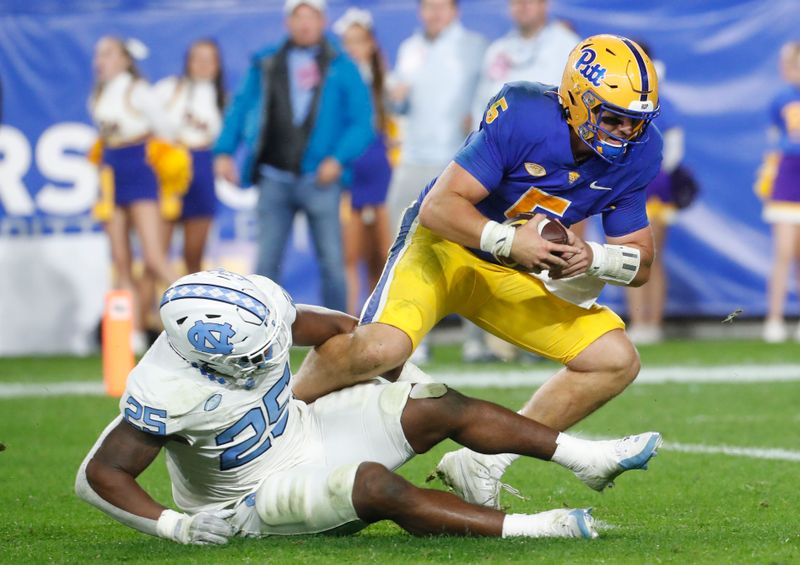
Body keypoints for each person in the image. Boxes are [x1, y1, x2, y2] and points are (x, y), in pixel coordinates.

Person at [293, 34, 663, 508]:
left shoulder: (639, 153)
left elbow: (642, 262)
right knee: (382, 348)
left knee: (616, 360)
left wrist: (595, 257)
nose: (625, 133)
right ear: (576, 100)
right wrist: (510, 239)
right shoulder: (526, 114)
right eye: (614, 117)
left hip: (510, 270)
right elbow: (439, 207)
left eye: (635, 123)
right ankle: (279, 416)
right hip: (444, 246)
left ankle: (483, 463)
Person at [75, 269, 662, 543]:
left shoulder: (259, 322)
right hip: (246, 499)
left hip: (301, 431)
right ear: (209, 350)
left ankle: (582, 456)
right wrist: (176, 525)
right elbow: (99, 474)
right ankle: (536, 529)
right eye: (261, 346)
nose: (277, 345)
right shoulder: (163, 389)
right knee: (375, 486)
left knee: (433, 403)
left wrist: (407, 381)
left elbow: (340, 328)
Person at [213, 0, 373, 313]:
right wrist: (223, 150)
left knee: (332, 261)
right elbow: (240, 107)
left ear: (323, 20)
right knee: (266, 264)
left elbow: (362, 122)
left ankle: (339, 336)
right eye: (298, 16)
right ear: (288, 22)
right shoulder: (267, 62)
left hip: (321, 179)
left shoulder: (342, 65)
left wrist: (338, 159)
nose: (304, 23)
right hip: (274, 176)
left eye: (311, 16)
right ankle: (257, 332)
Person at [464, 0, 578, 362]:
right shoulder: (499, 50)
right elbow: (481, 106)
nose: (522, 6)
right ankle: (497, 340)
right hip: (500, 165)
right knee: (491, 246)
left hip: (557, 169)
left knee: (557, 247)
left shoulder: (568, 46)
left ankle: (553, 335)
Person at [385, 0, 486, 362]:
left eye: (440, 6)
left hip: (458, 161)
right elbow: (397, 105)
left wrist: (477, 120)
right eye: (428, 7)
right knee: (403, 251)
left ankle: (477, 340)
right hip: (413, 158)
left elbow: (487, 94)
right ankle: (410, 337)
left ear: (454, 10)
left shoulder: (474, 46)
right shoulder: (411, 48)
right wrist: (393, 97)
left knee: (471, 249)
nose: (434, 13)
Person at [89, 36, 177, 352]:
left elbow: (167, 130)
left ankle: (200, 303)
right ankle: (133, 332)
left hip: (139, 169)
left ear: (125, 59)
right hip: (111, 173)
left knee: (153, 257)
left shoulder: (137, 90)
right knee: (121, 260)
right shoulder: (99, 93)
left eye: (108, 54)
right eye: (99, 55)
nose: (100, 61)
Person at [333, 8, 394, 315]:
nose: (353, 47)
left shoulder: (383, 81)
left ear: (370, 43)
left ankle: (376, 317)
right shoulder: (335, 82)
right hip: (349, 174)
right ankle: (348, 318)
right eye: (348, 41)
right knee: (350, 253)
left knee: (382, 254)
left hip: (380, 174)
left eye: (359, 40)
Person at [625, 47, 685, 345]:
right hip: (627, 184)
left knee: (651, 256)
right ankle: (638, 321)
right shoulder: (618, 97)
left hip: (653, 187)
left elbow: (673, 144)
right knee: (629, 257)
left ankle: (653, 323)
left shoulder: (660, 100)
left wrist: (656, 171)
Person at [155, 39, 225, 275]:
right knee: (155, 256)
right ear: (188, 62)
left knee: (194, 255)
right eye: (198, 58)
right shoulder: (169, 89)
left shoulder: (222, 98)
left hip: (202, 167)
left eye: (209, 59)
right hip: (169, 168)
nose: (203, 64)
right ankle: (145, 312)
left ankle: (190, 308)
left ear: (217, 65)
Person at [758, 41, 800, 343]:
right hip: (787, 178)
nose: (786, 69)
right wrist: (768, 170)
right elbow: (774, 139)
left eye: (792, 63)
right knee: (783, 251)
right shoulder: (780, 99)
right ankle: (774, 319)